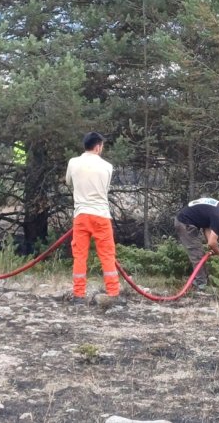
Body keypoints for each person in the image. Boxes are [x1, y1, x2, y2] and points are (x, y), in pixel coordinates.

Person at [65, 131, 123, 308]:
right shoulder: (107, 166)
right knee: (107, 255)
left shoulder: (73, 162)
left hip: (81, 215)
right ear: (98, 146)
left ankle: (78, 295)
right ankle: (113, 293)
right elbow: (104, 189)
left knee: (80, 256)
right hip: (101, 215)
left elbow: (68, 182)